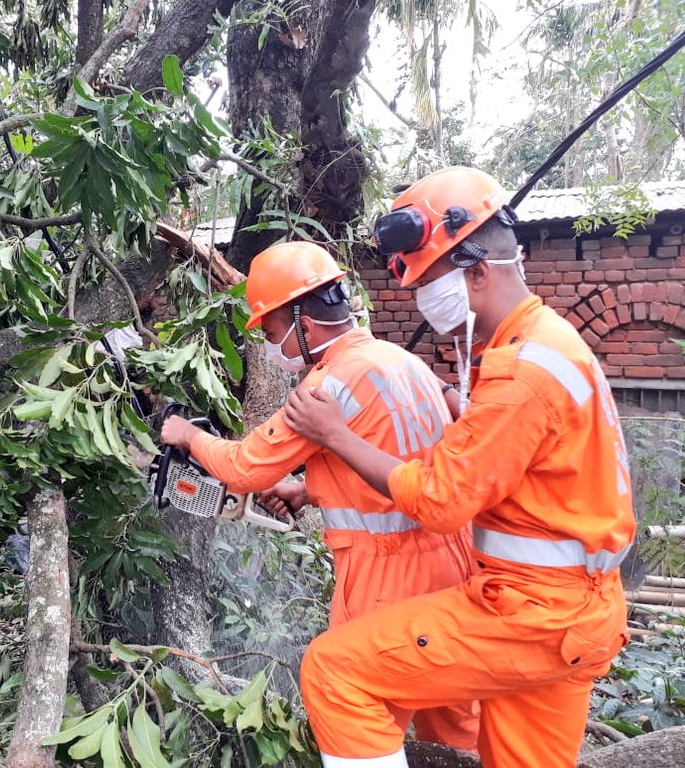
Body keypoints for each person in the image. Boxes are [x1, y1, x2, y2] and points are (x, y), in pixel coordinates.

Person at [282, 166, 635, 767]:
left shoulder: (522, 371)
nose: (418, 299)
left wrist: (334, 435)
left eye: (428, 283)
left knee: (335, 670)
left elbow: (441, 500)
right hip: (578, 621)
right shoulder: (545, 343)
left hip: (531, 614)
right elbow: (496, 458)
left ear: (477, 272)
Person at [160, 240, 479, 752]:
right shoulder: (400, 361)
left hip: (386, 579)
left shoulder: (324, 389)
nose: (269, 345)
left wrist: (188, 436)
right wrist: (310, 489)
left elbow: (243, 469)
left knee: (363, 711)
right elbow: (397, 453)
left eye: (268, 332)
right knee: (454, 721)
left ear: (301, 325)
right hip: (456, 563)